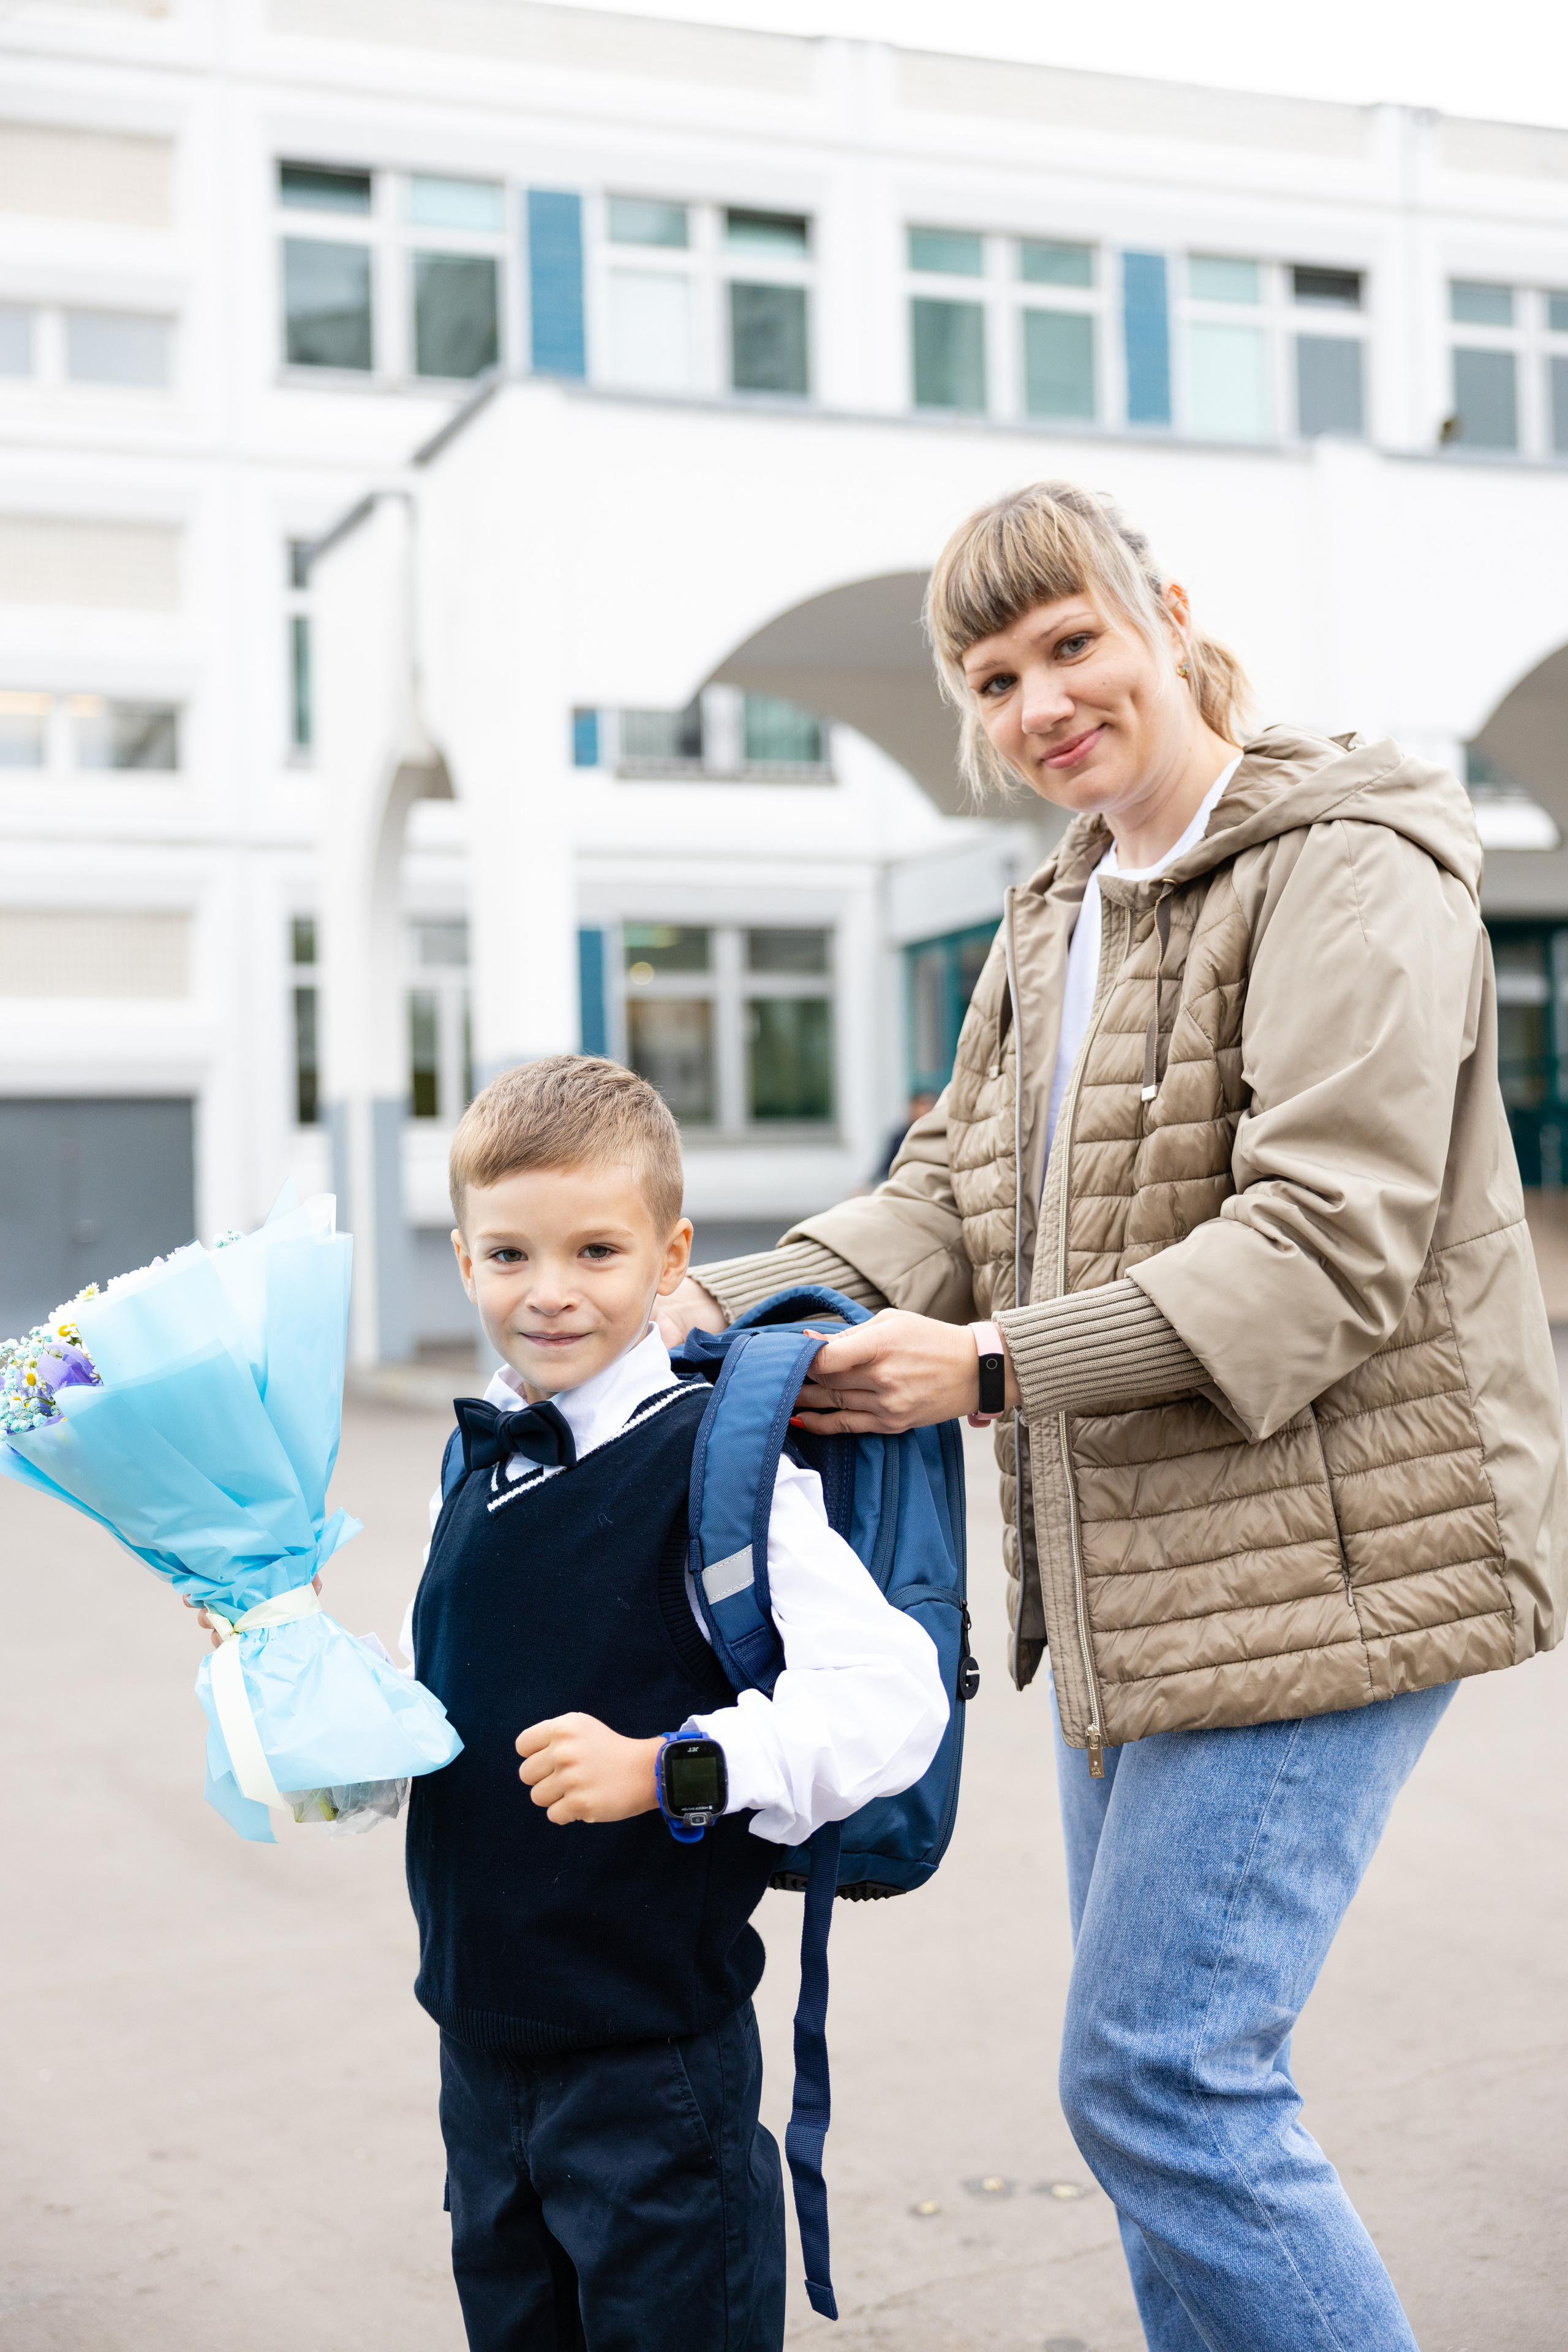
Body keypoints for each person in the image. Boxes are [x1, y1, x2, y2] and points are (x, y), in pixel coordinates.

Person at [656, 479, 1568, 2352]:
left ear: (1163, 615)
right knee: (1166, 2106)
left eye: (1071, 644)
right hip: (1131, 1575)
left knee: (1163, 2082)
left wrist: (988, 1371)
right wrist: (679, 1308)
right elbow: (948, 1197)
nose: (1042, 703)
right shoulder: (1052, 916)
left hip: (1338, 1560)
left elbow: (1327, 1243)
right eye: (994, 679)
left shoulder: (1346, 868)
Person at [398, 1057, 948, 2352]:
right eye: (509, 1254)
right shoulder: (473, 1462)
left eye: (595, 1249)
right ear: (466, 1260)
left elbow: (889, 1700)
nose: (548, 1292)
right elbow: (441, 1718)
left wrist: (670, 1769)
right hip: (479, 2051)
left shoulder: (716, 1470)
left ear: (669, 1256)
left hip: (652, 2069)